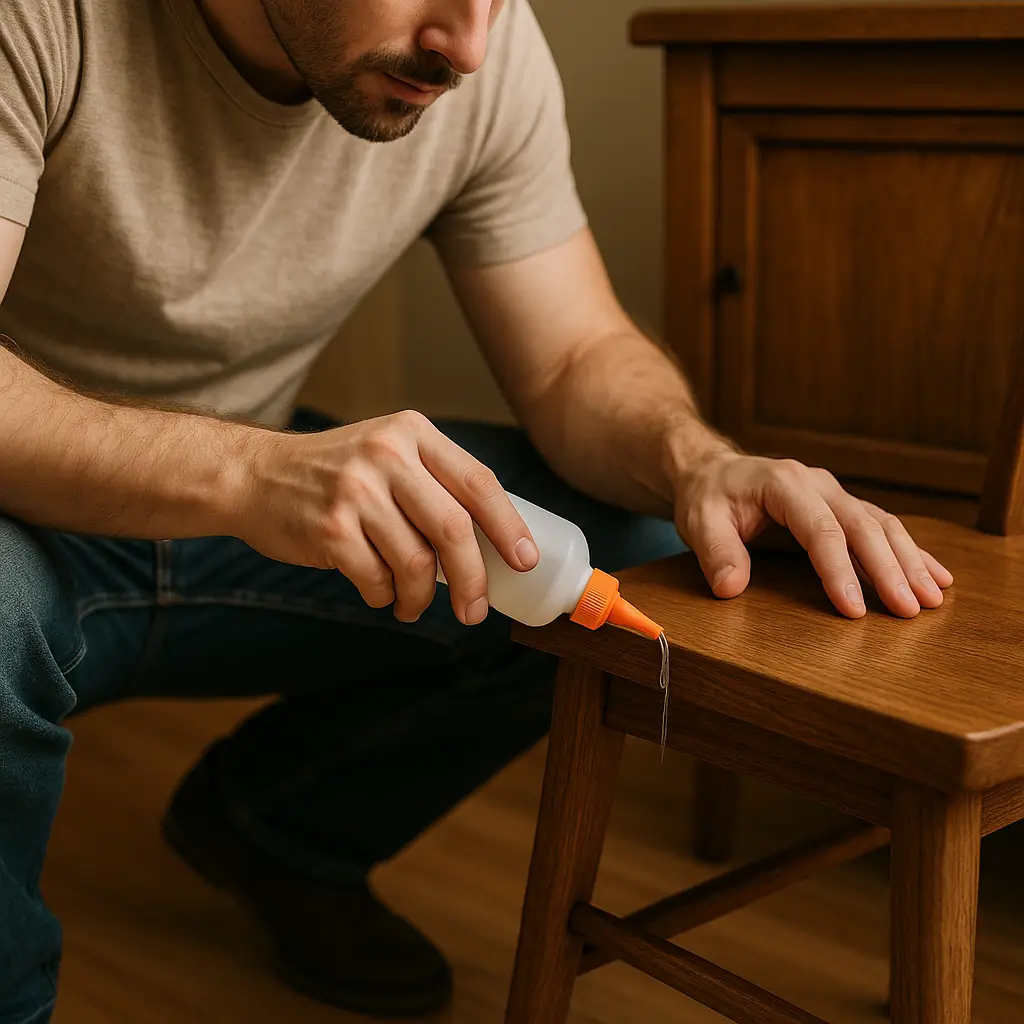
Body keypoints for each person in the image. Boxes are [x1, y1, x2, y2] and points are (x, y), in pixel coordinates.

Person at [0, 0, 952, 1019]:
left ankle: (280, 827)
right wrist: (247, 474)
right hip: (36, 518)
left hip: (245, 509)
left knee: (634, 546)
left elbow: (574, 356)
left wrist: (697, 462)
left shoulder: (475, 58)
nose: (470, 47)